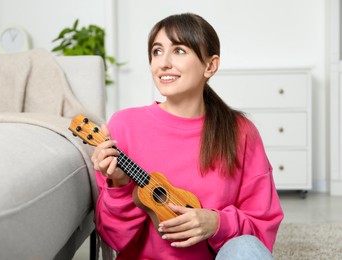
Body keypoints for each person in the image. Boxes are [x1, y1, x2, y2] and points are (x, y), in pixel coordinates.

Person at [91, 13, 284, 259]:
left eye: (179, 51)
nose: (163, 63)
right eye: (157, 51)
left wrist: (216, 223)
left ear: (210, 65)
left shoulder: (241, 131)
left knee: (246, 248)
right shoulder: (123, 126)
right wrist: (118, 184)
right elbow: (113, 238)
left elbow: (262, 227)